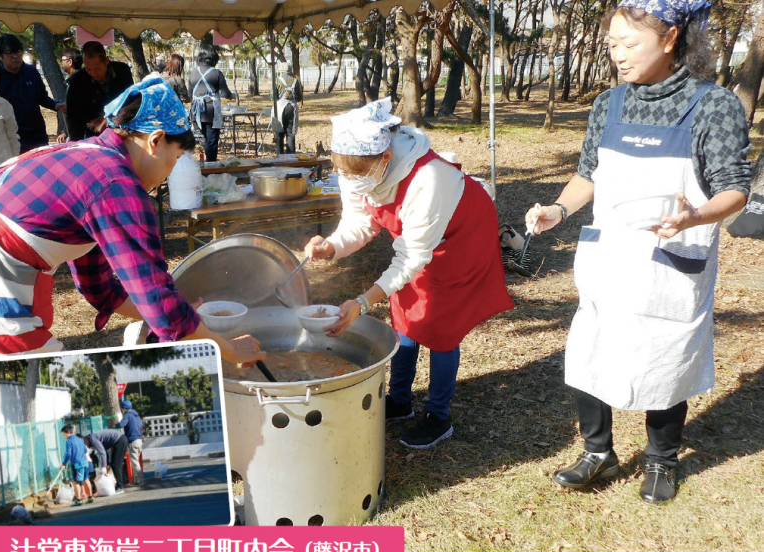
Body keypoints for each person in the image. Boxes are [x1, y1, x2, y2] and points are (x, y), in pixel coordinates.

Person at [525, 0, 752, 503]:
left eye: (630, 43)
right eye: (611, 45)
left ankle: (660, 460)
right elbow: (590, 174)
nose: (618, 56)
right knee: (590, 351)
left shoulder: (714, 105)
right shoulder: (609, 103)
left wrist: (695, 216)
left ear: (671, 38)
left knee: (667, 355)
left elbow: (735, 189)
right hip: (610, 256)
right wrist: (558, 210)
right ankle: (598, 454)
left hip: (673, 256)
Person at [0, 76, 265, 368]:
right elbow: (158, 300)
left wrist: (182, 316)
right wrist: (228, 349)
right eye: (174, 161)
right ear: (155, 141)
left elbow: (99, 286)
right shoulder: (115, 184)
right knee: (32, 418)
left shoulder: (87, 159)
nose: (167, 174)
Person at [304, 97, 512, 449]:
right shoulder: (356, 167)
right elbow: (360, 222)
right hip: (417, 242)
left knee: (441, 325)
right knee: (404, 311)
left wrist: (362, 302)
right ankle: (400, 401)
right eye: (345, 172)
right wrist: (332, 246)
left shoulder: (428, 178)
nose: (352, 181)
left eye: (358, 173)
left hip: (462, 238)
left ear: (385, 157)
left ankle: (438, 416)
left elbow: (410, 258)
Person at [0, 34, 66, 152]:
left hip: (36, 134)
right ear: (1, 56)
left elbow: (42, 98)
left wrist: (56, 105)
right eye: (9, 53)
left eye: (18, 51)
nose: (15, 56)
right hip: (8, 136)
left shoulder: (31, 71)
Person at [65, 41, 134, 141]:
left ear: (106, 60)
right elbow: (74, 117)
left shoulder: (122, 71)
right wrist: (76, 143)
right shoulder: (77, 80)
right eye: (88, 69)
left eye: (97, 69)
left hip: (123, 129)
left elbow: (130, 99)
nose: (93, 73)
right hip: (94, 134)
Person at [186, 45, 234, 161]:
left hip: (196, 112)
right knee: (211, 142)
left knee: (203, 142)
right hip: (211, 112)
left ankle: (204, 167)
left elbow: (190, 95)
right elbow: (226, 93)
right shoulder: (217, 73)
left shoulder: (193, 73)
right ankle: (211, 168)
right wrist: (233, 95)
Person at [85, 429, 129, 494]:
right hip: (118, 441)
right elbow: (104, 451)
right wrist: (107, 464)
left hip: (120, 440)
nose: (86, 447)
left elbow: (103, 453)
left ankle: (120, 487)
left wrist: (104, 466)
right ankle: (119, 485)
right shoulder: (93, 439)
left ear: (85, 440)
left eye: (84, 445)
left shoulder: (93, 439)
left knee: (116, 465)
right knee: (114, 465)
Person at [273, 63, 302, 154]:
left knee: (279, 134)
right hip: (292, 108)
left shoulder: (277, 80)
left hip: (279, 109)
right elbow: (299, 98)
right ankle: (290, 159)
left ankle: (280, 157)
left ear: (281, 71)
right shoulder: (296, 81)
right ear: (290, 71)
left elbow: (272, 96)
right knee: (290, 134)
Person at [56, 48, 83, 144]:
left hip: (80, 135)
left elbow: (79, 112)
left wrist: (65, 133)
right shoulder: (77, 80)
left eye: (62, 60)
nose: (61, 63)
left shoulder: (77, 82)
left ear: (70, 61)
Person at [117, 399, 144, 486]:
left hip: (132, 440)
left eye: (122, 408)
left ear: (124, 408)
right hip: (139, 440)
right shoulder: (136, 415)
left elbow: (122, 424)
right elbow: (141, 427)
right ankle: (136, 480)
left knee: (135, 462)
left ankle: (139, 481)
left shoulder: (127, 414)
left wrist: (116, 425)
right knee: (136, 462)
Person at [60, 425, 89, 506]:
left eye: (64, 434)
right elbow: (85, 450)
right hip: (84, 462)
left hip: (76, 463)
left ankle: (78, 499)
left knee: (75, 481)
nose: (64, 436)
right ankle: (87, 496)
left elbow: (68, 454)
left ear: (68, 432)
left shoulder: (69, 441)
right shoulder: (80, 440)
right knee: (83, 479)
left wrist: (64, 463)